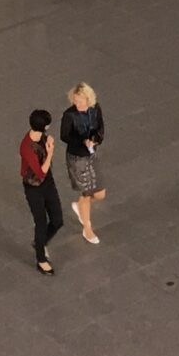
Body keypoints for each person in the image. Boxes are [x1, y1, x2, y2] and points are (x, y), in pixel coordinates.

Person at [59, 82, 105, 244]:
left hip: (91, 155)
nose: (77, 104)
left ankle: (80, 207)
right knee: (86, 193)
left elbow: (100, 129)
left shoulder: (95, 109)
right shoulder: (69, 115)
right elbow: (64, 136)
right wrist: (81, 141)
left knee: (99, 194)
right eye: (75, 100)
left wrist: (95, 140)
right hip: (77, 158)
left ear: (88, 99)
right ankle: (87, 228)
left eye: (80, 100)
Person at [20, 109, 63, 273]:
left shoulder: (41, 137)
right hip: (33, 187)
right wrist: (51, 151)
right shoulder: (27, 147)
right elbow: (40, 172)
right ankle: (41, 259)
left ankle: (41, 241)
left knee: (57, 220)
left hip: (48, 183)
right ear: (44, 126)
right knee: (41, 222)